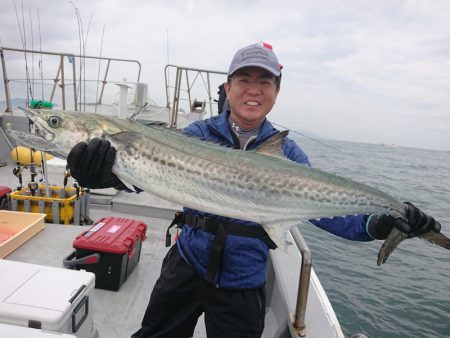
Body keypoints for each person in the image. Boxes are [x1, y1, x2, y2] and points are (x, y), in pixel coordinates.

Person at [67, 42, 440, 338]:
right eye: (243, 79)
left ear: (276, 91)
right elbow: (153, 176)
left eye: (264, 81)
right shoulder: (197, 136)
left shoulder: (287, 154)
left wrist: (377, 224)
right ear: (228, 88)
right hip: (188, 261)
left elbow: (330, 214)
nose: (253, 89)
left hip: (243, 279)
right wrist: (106, 174)